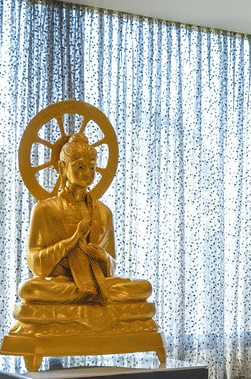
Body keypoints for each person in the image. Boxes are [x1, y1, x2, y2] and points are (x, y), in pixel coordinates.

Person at [11, 132, 157, 329]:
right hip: (64, 284)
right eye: (79, 166)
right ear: (63, 167)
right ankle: (89, 301)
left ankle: (84, 301)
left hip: (98, 285)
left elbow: (111, 267)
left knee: (142, 288)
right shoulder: (45, 209)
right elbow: (35, 262)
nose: (87, 172)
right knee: (30, 289)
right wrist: (71, 242)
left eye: (92, 167)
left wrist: (103, 257)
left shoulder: (103, 212)